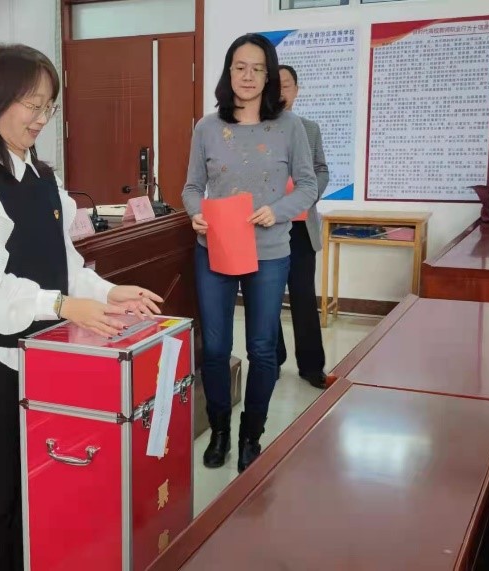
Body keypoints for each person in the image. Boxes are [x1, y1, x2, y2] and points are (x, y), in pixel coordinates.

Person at [0, 44, 164, 569]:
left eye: (48, 106)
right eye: (32, 104)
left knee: (37, 488)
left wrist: (108, 292)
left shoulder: (43, 178)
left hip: (45, 360)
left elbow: (65, 264)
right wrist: (65, 305)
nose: (41, 118)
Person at [183, 34, 318, 473]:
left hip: (270, 252)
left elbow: (309, 185)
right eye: (240, 67)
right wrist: (195, 212)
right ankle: (220, 430)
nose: (248, 76)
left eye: (257, 68)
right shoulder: (207, 128)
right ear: (229, 72)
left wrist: (278, 211)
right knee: (215, 348)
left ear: (268, 75)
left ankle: (250, 435)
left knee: (262, 349)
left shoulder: (290, 127)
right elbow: (191, 187)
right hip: (215, 250)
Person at [275, 64, 328, 389]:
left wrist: (307, 196)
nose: (281, 92)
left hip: (301, 228)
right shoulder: (258, 129)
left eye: (287, 86)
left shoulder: (309, 128)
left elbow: (321, 169)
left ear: (296, 90)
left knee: (304, 297)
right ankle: (272, 360)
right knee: (267, 297)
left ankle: (311, 366)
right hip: (268, 226)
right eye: (275, 85)